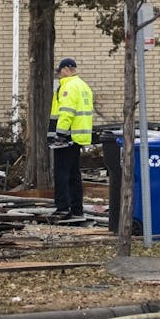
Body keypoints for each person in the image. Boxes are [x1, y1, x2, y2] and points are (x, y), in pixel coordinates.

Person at [48, 57, 94, 221]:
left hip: (66, 137)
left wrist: (59, 135)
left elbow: (66, 113)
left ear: (66, 70)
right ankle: (76, 209)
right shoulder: (83, 86)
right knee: (74, 174)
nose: (59, 76)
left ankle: (62, 208)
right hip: (78, 137)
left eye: (60, 72)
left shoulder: (68, 86)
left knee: (61, 173)